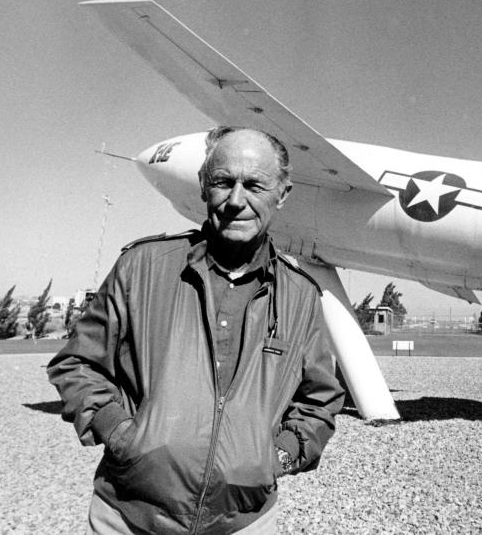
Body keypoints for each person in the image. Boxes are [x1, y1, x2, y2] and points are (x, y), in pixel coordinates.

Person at [48, 127, 344, 534]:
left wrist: (278, 457)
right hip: (128, 518)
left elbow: (319, 399)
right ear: (204, 187)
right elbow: (78, 363)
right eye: (223, 182)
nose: (236, 200)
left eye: (255, 185)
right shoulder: (143, 267)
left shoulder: (301, 296)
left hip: (245, 524)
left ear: (283, 193)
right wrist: (120, 434)